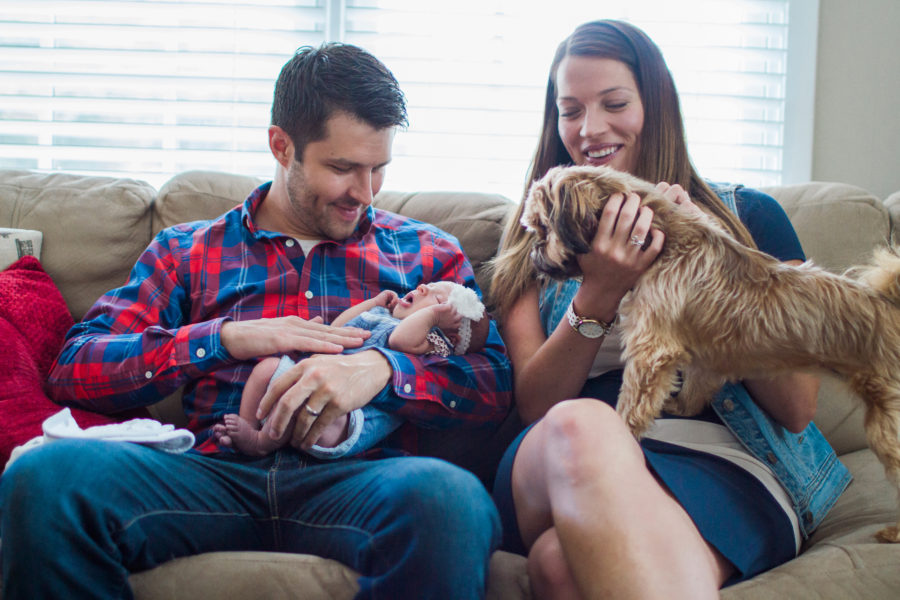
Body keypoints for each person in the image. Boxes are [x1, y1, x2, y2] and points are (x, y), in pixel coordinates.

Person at [0, 43, 512, 600]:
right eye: (342, 168)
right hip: (209, 476)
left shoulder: (428, 255)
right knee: (44, 482)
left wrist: (384, 368)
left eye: (378, 169)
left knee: (452, 501)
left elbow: (494, 383)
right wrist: (222, 339)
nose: (364, 194)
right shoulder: (187, 250)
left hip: (359, 480)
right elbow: (75, 369)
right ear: (281, 145)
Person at [489, 20, 851, 599]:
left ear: (655, 105)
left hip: (725, 459)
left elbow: (796, 407)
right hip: (561, 452)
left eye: (614, 103)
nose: (589, 129)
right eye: (570, 109)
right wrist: (600, 292)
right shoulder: (530, 238)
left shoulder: (744, 218)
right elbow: (537, 406)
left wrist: (708, 276)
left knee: (558, 567)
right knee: (582, 424)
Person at [214, 281, 492, 458]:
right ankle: (251, 425)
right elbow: (341, 328)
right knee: (268, 369)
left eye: (436, 299)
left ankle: (262, 442)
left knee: (317, 407)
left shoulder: (429, 344)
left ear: (448, 339)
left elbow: (398, 342)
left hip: (349, 414)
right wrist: (372, 304)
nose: (421, 288)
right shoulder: (383, 316)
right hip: (308, 376)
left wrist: (432, 316)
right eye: (429, 285)